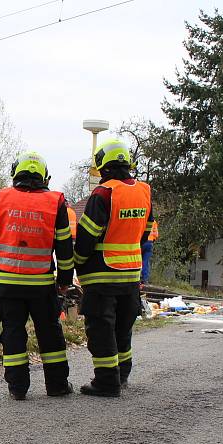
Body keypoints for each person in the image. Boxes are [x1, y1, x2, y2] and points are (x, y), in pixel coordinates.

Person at [0, 151, 75, 400]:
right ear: (45, 177)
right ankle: (57, 385)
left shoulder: (0, 199)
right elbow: (64, 248)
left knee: (13, 333)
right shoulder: (56, 202)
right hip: (42, 286)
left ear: (15, 173)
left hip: (7, 285)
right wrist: (64, 282)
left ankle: (17, 388)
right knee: (50, 333)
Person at [74, 139, 153, 397]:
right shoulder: (143, 191)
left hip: (101, 276)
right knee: (123, 326)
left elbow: (87, 236)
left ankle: (107, 382)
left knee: (101, 328)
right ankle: (122, 374)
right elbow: (146, 232)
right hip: (131, 275)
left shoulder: (104, 194)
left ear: (103, 167)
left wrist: (76, 261)